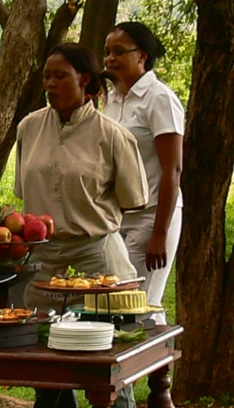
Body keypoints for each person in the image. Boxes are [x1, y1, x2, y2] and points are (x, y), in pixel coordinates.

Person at [15, 43, 148, 408]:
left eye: (60, 76)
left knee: (109, 364)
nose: (50, 84)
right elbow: (25, 190)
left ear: (84, 80)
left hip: (98, 258)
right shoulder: (29, 127)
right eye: (47, 76)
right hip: (45, 260)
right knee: (46, 363)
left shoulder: (112, 135)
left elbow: (133, 199)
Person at [103, 22, 184, 326]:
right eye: (107, 52)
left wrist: (159, 234)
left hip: (152, 216)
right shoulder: (112, 99)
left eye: (119, 51)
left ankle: (158, 357)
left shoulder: (159, 98)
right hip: (118, 218)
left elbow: (173, 169)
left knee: (142, 305)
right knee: (117, 302)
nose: (110, 59)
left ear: (142, 56)